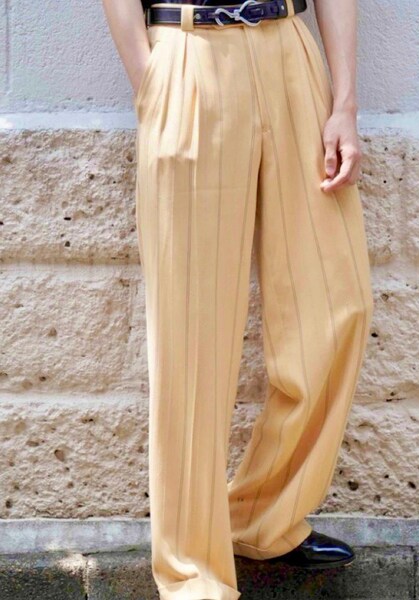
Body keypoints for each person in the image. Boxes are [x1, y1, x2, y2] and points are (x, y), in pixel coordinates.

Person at [102, 0, 374, 598]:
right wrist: (151, 81)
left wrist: (344, 103)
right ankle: (191, 573)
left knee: (340, 308)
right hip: (188, 56)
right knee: (190, 335)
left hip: (291, 52)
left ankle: (260, 517)